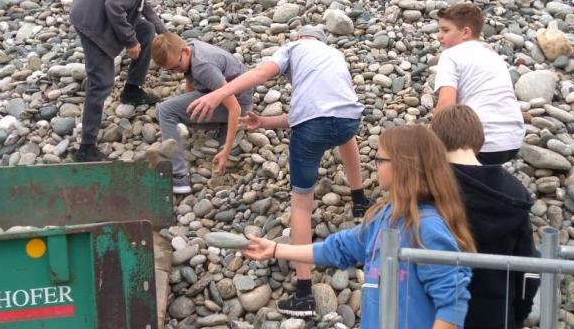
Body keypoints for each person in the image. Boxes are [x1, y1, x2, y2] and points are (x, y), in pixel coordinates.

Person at [187, 25, 369, 317]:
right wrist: (265, 123)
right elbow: (320, 112)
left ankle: (304, 293)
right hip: (349, 119)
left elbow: (261, 75)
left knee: (301, 205)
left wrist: (217, 94)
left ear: (298, 38)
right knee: (345, 136)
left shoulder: (293, 48)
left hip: (312, 129)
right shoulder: (334, 54)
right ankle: (360, 201)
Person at [242, 124, 474, 329]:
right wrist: (275, 250)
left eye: (380, 160)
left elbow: (452, 307)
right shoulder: (384, 216)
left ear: (403, 166)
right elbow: (339, 248)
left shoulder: (427, 229)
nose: (374, 165)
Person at [431, 105, 538, 329]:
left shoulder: (431, 188)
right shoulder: (514, 191)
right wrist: (517, 315)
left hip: (437, 316)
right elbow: (528, 267)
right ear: (479, 140)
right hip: (497, 314)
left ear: (435, 143)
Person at [68, 0, 173, 162]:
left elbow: (145, 9)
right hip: (92, 21)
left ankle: (132, 90)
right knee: (101, 81)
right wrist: (130, 41)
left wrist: (168, 37)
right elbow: (114, 7)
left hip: (91, 11)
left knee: (146, 29)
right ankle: (86, 147)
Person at [151, 32, 254, 194]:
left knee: (165, 110)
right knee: (163, 112)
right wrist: (185, 111)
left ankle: (179, 177)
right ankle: (218, 124)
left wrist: (226, 151)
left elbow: (235, 109)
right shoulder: (190, 50)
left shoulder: (203, 66)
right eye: (170, 70)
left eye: (177, 67)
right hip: (218, 98)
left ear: (185, 51)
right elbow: (190, 82)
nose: (176, 72)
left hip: (237, 104)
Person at [433, 3, 525, 165]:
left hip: (481, 143)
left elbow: (446, 104)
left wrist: (429, 143)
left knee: (440, 173)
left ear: (466, 32)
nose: (439, 35)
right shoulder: (492, 56)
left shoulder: (450, 56)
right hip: (513, 141)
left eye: (445, 30)